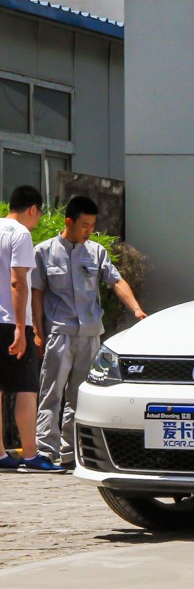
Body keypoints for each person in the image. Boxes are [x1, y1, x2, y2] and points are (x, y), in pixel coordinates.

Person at [32, 195, 148, 467]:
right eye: (84, 225)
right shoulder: (44, 252)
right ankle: (46, 451)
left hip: (91, 334)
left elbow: (116, 282)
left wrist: (137, 310)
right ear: (69, 222)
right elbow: (36, 294)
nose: (89, 231)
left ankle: (71, 453)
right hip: (59, 333)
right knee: (52, 394)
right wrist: (38, 331)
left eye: (92, 226)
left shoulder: (96, 252)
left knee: (79, 396)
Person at [0, 186, 64, 472]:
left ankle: (1, 455)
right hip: (11, 321)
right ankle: (29, 455)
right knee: (26, 388)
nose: (37, 222)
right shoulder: (20, 234)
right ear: (32, 209)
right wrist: (18, 328)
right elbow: (18, 282)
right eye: (39, 215)